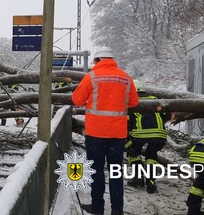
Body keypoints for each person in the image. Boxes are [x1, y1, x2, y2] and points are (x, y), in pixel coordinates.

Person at [72, 47, 139, 215]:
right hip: (118, 134)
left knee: (97, 171)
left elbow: (77, 100)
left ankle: (98, 208)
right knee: (116, 172)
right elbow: (134, 102)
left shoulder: (92, 77)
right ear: (111, 59)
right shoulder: (125, 77)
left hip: (96, 134)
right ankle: (117, 210)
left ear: (97, 61)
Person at [126, 79, 171, 194]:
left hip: (139, 135)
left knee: (133, 151)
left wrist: (127, 140)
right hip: (159, 135)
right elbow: (166, 115)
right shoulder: (155, 99)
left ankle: (138, 178)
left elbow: (128, 122)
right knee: (151, 155)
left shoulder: (131, 102)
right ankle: (151, 183)